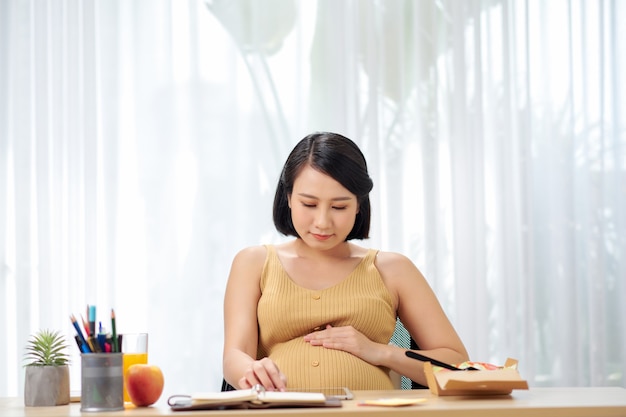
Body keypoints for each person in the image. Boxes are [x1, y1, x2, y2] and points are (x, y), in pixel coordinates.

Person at [222, 131, 469, 391]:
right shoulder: (253, 263)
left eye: (339, 207)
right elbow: (234, 356)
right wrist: (252, 371)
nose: (322, 222)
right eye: (309, 204)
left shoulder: (393, 269)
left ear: (359, 205)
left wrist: (380, 352)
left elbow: (457, 364)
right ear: (288, 198)